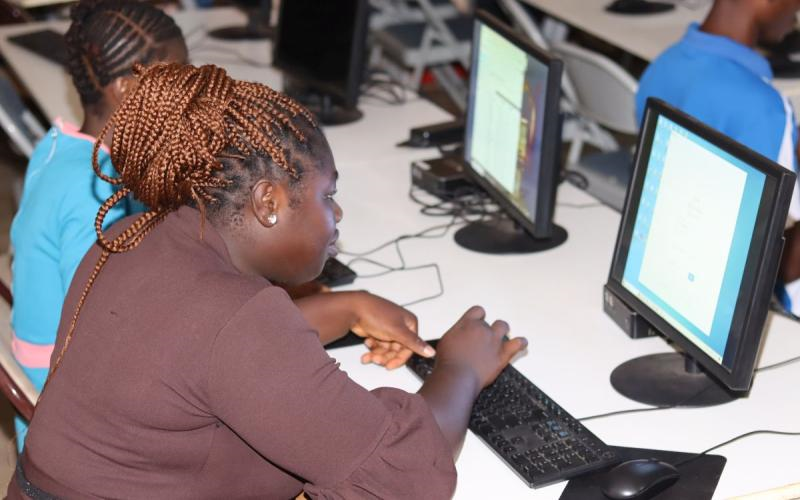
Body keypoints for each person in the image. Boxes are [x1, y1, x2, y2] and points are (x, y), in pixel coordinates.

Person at [6, 62, 528, 498]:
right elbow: (402, 473)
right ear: (267, 203)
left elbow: (196, 350)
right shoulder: (234, 318)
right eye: (327, 196)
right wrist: (461, 369)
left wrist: (348, 307)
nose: (338, 214)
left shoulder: (134, 234)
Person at [9, 0, 187, 449]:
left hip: (54, 361)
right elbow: (104, 330)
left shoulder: (61, 148)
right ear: (126, 89)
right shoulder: (93, 193)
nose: (189, 92)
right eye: (177, 77)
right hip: (69, 411)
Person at [635, 0, 800, 317]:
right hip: (732, 303)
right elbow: (776, 256)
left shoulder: (663, 64)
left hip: (664, 263)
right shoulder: (765, 109)